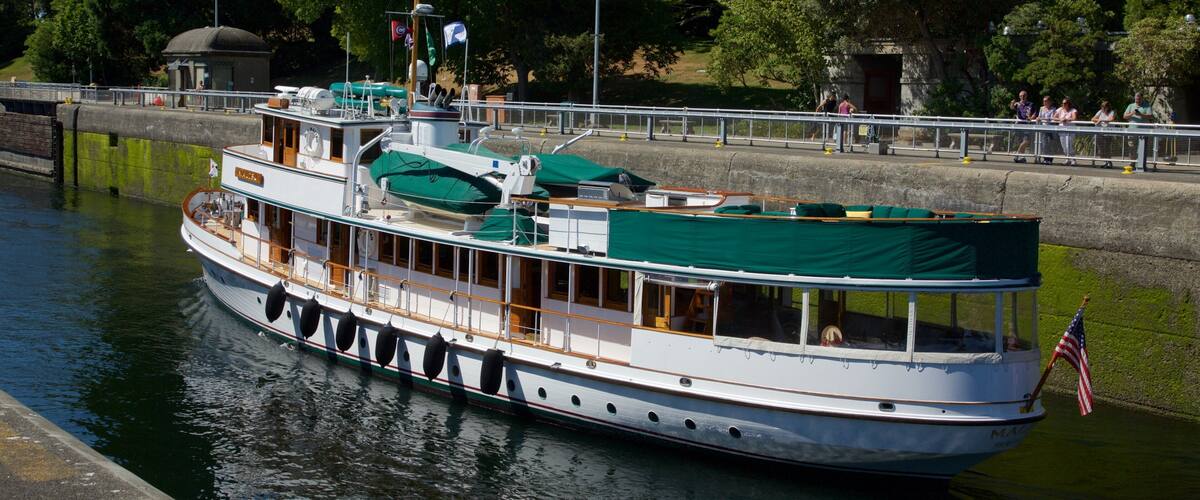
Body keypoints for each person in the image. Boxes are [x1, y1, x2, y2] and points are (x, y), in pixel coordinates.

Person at [1009, 90, 1035, 163]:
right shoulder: (1018, 104)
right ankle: (1022, 157)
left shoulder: (1030, 104)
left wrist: (1031, 117)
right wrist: (1012, 103)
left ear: (1026, 96)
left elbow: (1035, 113)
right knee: (1021, 141)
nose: (1022, 97)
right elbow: (1012, 108)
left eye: (1024, 95)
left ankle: (1017, 154)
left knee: (1026, 141)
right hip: (1019, 125)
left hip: (1027, 124)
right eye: (1021, 96)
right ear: (1019, 97)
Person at [1053, 97, 1079, 165]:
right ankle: (1067, 159)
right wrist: (1060, 119)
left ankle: (1073, 159)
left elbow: (1074, 118)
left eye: (1065, 103)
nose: (1063, 104)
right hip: (1062, 129)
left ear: (1068, 104)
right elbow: (1054, 117)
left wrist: (1066, 119)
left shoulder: (1073, 110)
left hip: (1070, 130)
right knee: (1064, 145)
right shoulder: (1060, 109)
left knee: (1069, 145)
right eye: (1062, 103)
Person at [1091, 100, 1116, 167]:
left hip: (1108, 133)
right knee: (1100, 148)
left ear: (1108, 107)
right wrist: (1098, 120)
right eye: (1102, 107)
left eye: (1104, 107)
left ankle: (1109, 162)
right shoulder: (1100, 111)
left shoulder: (1112, 112)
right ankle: (1105, 161)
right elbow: (1093, 119)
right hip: (1099, 133)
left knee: (1107, 148)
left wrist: (1101, 120)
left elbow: (1111, 119)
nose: (1103, 108)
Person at [1036, 96, 1057, 164]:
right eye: (1044, 101)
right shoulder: (1041, 108)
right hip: (1043, 128)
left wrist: (1044, 119)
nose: (1044, 102)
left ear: (1049, 102)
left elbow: (1053, 118)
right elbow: (1039, 116)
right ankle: (1045, 159)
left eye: (1046, 101)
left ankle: (1050, 159)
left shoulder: (1053, 109)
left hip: (1050, 128)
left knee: (1050, 144)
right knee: (1044, 144)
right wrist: (1038, 118)